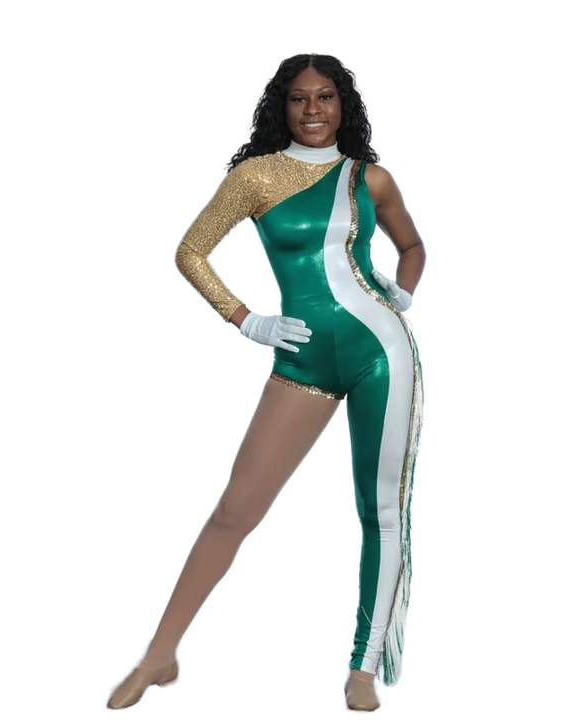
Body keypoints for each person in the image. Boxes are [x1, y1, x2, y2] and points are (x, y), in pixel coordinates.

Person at [106, 53, 426, 713]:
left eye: (326, 97)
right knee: (235, 510)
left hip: (382, 353)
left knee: (382, 513)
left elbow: (414, 248)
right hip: (302, 361)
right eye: (300, 98)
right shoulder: (255, 176)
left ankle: (363, 668)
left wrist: (403, 290)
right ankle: (160, 654)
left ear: (343, 105)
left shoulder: (371, 177)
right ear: (282, 106)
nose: (313, 110)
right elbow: (190, 251)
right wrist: (245, 318)